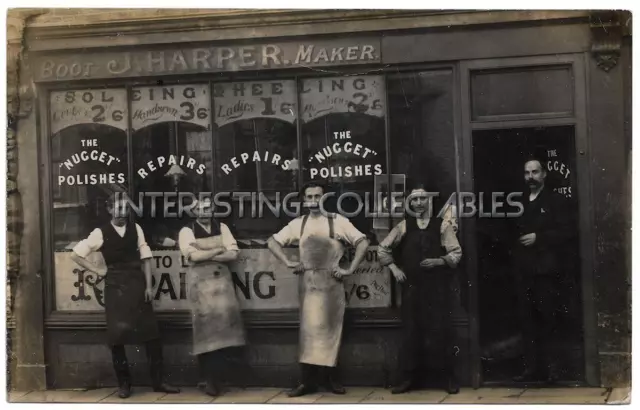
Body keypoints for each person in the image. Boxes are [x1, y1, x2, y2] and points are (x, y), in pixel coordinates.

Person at [70, 193, 180, 399]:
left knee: (151, 335)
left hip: (138, 285)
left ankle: (159, 381)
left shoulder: (136, 229)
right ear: (110, 209)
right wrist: (98, 271)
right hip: (115, 287)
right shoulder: (99, 233)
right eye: (118, 209)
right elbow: (75, 254)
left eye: (125, 209)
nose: (122, 213)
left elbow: (146, 258)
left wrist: (148, 286)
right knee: (117, 338)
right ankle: (124, 384)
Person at [267, 182, 370, 397]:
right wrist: (287, 261)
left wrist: (349, 268)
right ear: (304, 200)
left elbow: (362, 242)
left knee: (331, 331)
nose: (314, 201)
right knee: (309, 333)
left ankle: (331, 379)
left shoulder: (339, 222)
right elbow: (272, 242)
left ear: (326, 198)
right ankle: (307, 382)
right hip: (309, 284)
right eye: (309, 197)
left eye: (318, 197)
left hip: (332, 284)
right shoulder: (298, 224)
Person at [377, 184, 462, 394]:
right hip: (412, 288)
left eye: (422, 199)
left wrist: (438, 261)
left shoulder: (442, 225)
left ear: (428, 201)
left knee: (440, 331)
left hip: (437, 288)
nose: (418, 203)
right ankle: (408, 379)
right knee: (411, 333)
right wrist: (394, 268)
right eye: (414, 200)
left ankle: (448, 379)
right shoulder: (404, 226)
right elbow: (382, 249)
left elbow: (456, 253)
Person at [511, 158, 572, 383]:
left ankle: (553, 370)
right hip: (524, 271)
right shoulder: (518, 201)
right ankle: (531, 369)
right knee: (526, 320)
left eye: (535, 172)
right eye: (527, 173)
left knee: (548, 319)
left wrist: (540, 237)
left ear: (544, 174)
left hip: (546, 271)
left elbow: (567, 231)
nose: (531, 177)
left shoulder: (556, 200)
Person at [178, 197, 246, 397]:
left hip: (223, 286)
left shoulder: (222, 227)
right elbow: (192, 256)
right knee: (205, 334)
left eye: (207, 207)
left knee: (224, 332)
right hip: (201, 288)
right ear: (194, 211)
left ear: (213, 208)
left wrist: (206, 253)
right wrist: (218, 250)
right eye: (199, 208)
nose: (204, 211)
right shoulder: (187, 231)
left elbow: (233, 254)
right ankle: (208, 380)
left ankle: (220, 379)